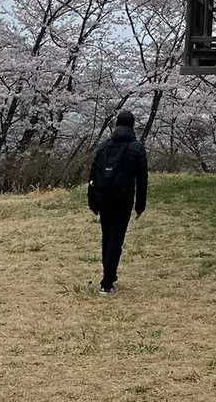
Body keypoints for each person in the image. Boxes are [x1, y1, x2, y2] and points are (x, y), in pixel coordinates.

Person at [87, 110, 148, 295]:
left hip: (103, 198)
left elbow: (93, 174)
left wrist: (92, 202)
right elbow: (142, 179)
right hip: (123, 199)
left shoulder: (104, 146)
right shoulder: (137, 148)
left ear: (116, 124)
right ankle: (107, 282)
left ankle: (109, 275)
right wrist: (140, 205)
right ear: (132, 125)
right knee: (116, 238)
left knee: (107, 237)